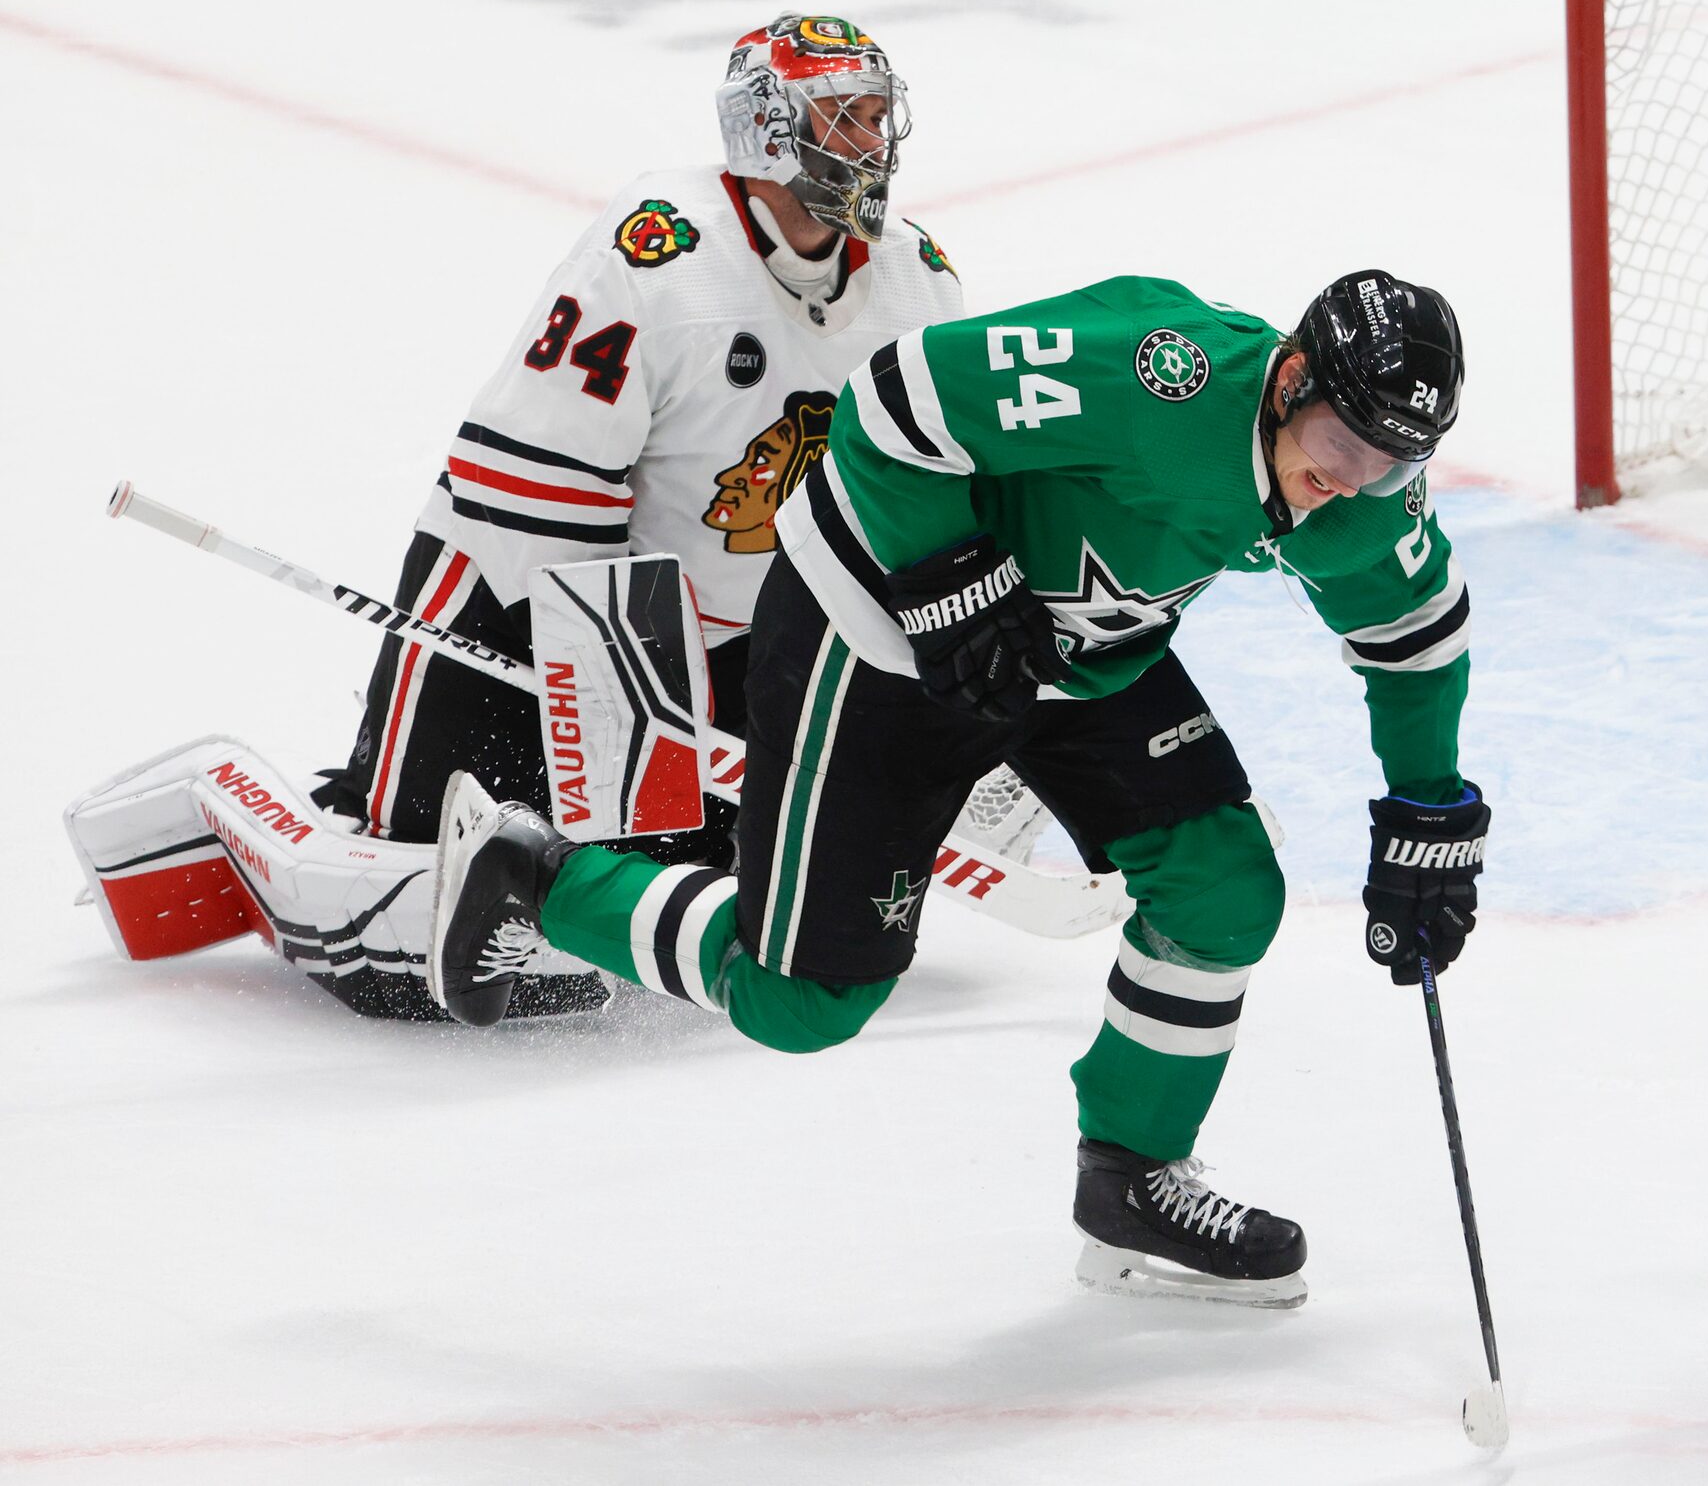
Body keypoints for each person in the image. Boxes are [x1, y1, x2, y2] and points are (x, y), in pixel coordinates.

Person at [425, 269, 1487, 1308]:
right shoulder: (1158, 373)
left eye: (1391, 465)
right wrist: (946, 579)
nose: (1351, 482)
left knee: (1222, 890)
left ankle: (1132, 1180)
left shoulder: (1355, 488)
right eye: (1343, 447)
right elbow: (892, 400)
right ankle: (534, 874)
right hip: (881, 629)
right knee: (800, 1003)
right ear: (1291, 377)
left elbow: (1413, 637)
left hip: (1071, 651)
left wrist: (1427, 813)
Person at [303, 13, 988, 1018]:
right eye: (837, 117)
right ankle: (376, 805)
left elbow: (933, 493)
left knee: (697, 882)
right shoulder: (658, 251)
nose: (864, 144)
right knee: (403, 907)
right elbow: (534, 494)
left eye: (874, 118)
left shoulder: (917, 279)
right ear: (763, 128)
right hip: (519, 590)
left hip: (748, 627)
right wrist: (615, 707)